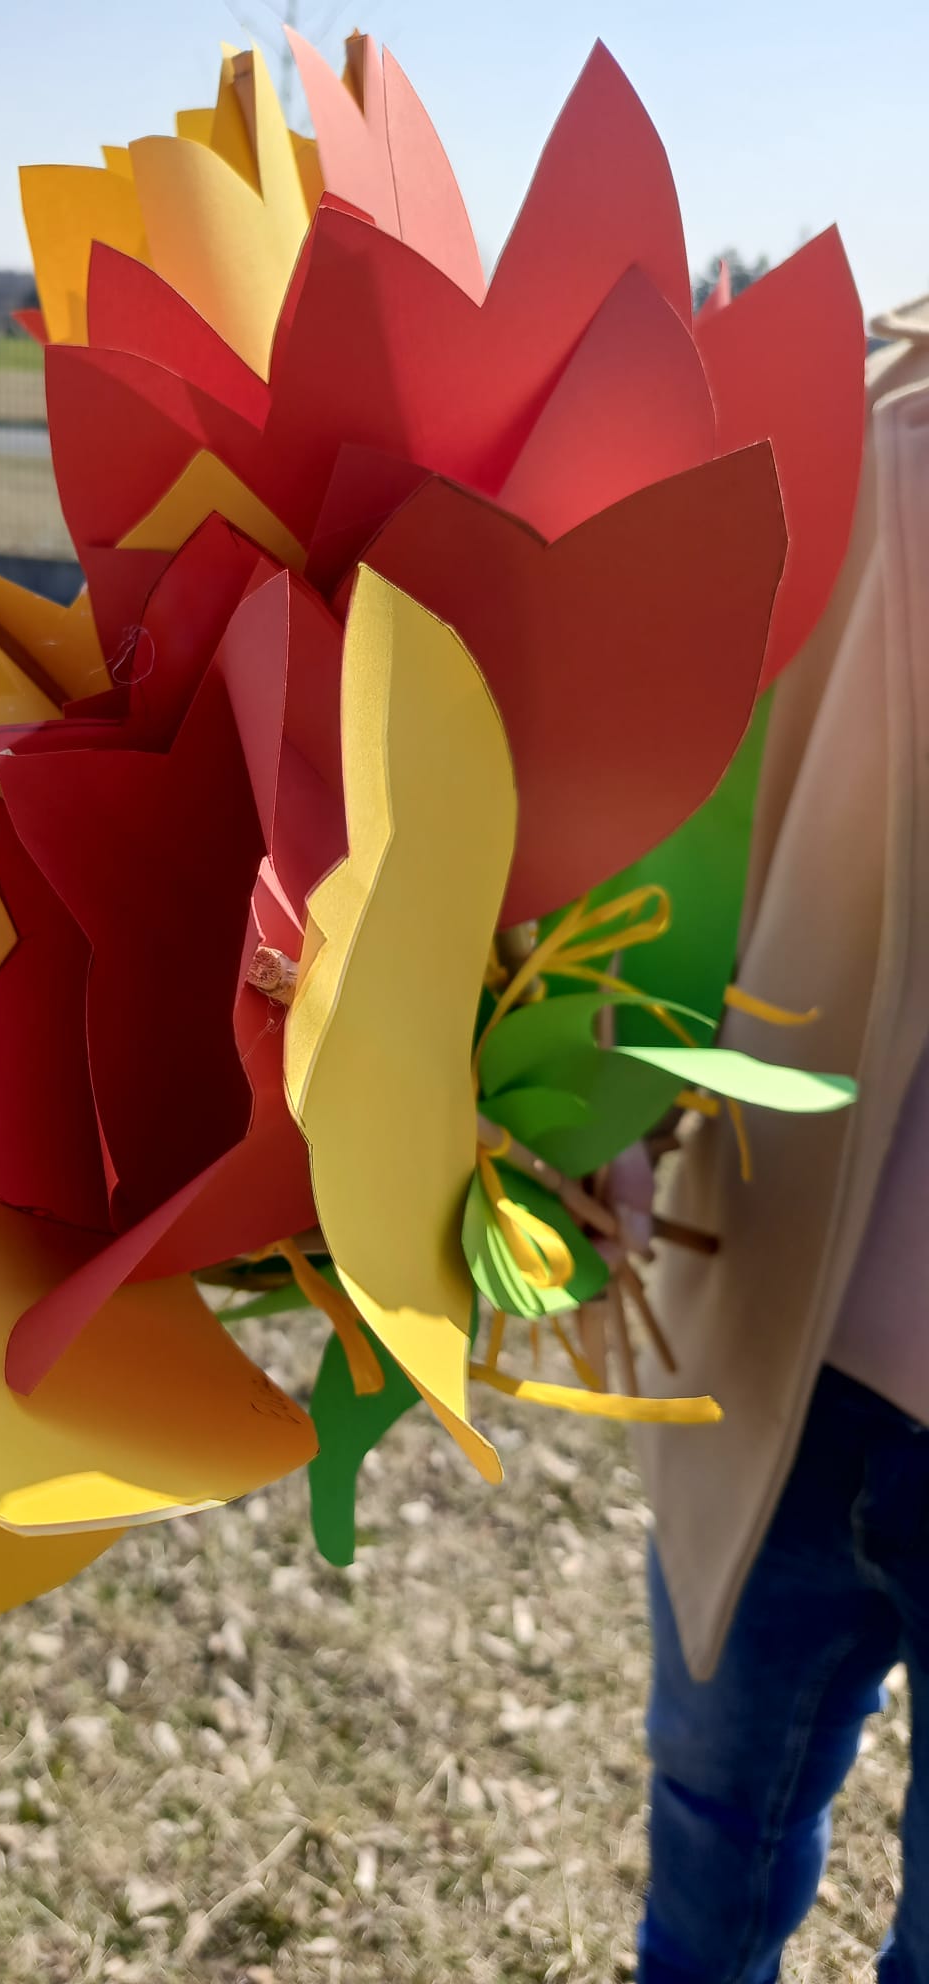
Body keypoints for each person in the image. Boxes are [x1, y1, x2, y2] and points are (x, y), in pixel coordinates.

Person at [633, 299, 929, 1983]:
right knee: (707, 1864)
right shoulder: (853, 422)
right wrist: (599, 1089)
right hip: (776, 1356)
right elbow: (675, 805)